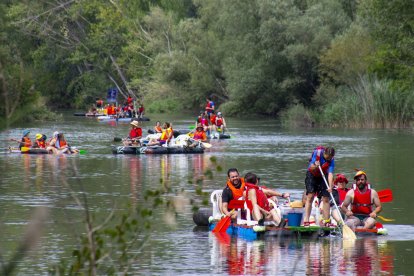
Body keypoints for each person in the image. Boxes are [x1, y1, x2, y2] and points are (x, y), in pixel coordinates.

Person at [303, 146, 336, 227]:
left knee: (326, 198)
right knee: (310, 196)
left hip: (323, 175)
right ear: (324, 153)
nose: (328, 159)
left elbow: (330, 174)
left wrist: (330, 186)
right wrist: (316, 165)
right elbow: (311, 167)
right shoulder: (317, 154)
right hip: (312, 174)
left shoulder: (331, 160)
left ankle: (326, 221)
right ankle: (306, 219)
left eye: (330, 158)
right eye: (327, 157)